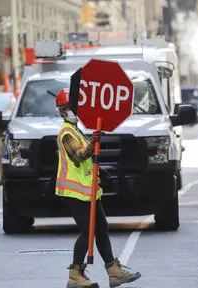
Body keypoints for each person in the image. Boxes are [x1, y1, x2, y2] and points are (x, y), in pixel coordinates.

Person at [55, 88, 141, 288]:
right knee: (88, 231)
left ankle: (114, 271)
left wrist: (98, 169)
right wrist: (93, 142)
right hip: (74, 192)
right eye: (69, 107)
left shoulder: (76, 130)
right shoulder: (66, 133)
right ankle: (75, 275)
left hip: (88, 190)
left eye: (75, 106)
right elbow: (77, 156)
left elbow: (84, 161)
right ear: (61, 110)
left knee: (101, 229)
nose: (73, 111)